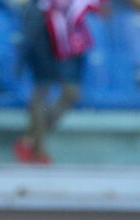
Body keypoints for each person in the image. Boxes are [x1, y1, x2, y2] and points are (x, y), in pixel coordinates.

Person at [14, 0, 101, 164]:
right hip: (43, 22)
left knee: (72, 93)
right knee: (43, 87)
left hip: (71, 25)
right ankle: (39, 150)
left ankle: (29, 140)